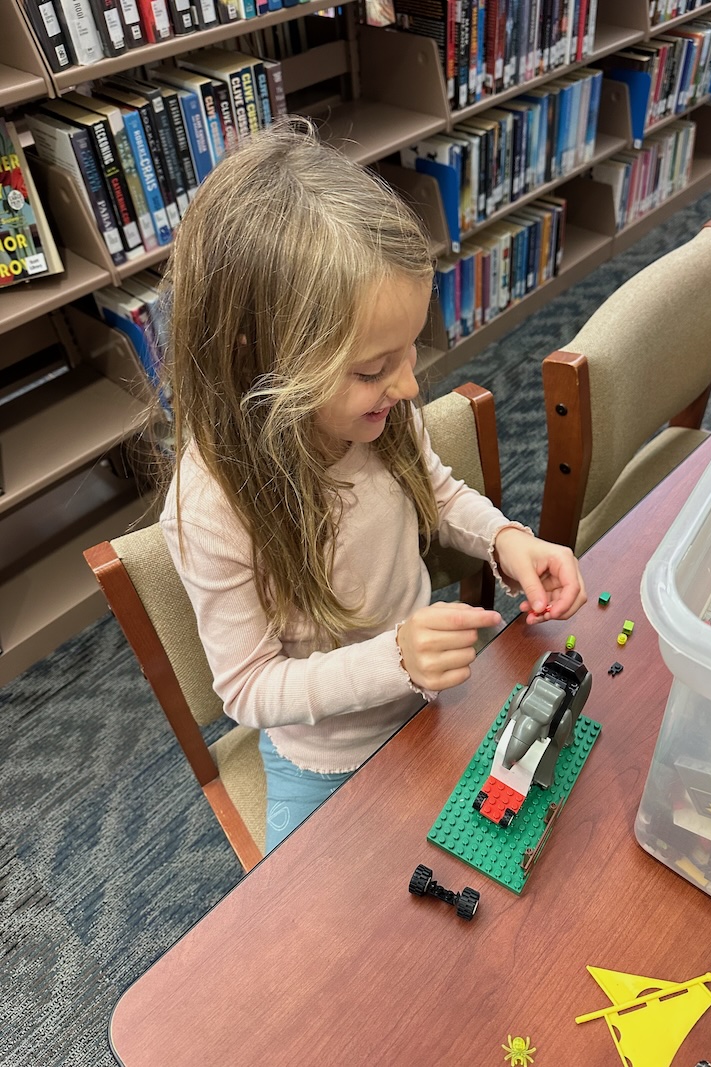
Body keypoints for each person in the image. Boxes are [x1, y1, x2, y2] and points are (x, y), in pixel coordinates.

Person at [159, 119, 586, 855]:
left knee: (522, 840)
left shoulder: (379, 413)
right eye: (371, 369)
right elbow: (249, 688)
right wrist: (395, 660)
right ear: (260, 361)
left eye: (409, 350)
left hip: (434, 697)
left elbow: (438, 493)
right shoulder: (211, 508)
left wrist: (504, 538)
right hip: (326, 758)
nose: (409, 384)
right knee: (325, 916)